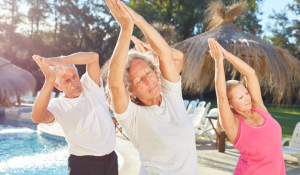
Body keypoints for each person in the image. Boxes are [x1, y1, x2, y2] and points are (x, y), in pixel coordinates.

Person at [105, 0, 199, 174]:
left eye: (148, 72)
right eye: (139, 80)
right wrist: (126, 30)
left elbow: (165, 53)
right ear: (131, 91)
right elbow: (115, 84)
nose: (149, 81)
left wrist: (139, 20)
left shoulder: (171, 95)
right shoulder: (132, 116)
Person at [31, 52, 118, 175]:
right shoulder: (59, 106)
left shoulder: (90, 85)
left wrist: (62, 60)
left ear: (77, 72)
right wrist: (49, 80)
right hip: (83, 164)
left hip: (111, 159)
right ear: (57, 86)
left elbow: (93, 58)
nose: (75, 83)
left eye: (75, 76)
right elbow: (37, 117)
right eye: (67, 81)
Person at [209, 38, 285, 175]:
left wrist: (227, 55)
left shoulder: (259, 108)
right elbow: (221, 95)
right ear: (230, 104)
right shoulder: (233, 125)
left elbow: (250, 74)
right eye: (240, 97)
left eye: (246, 93)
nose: (247, 98)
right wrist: (218, 61)